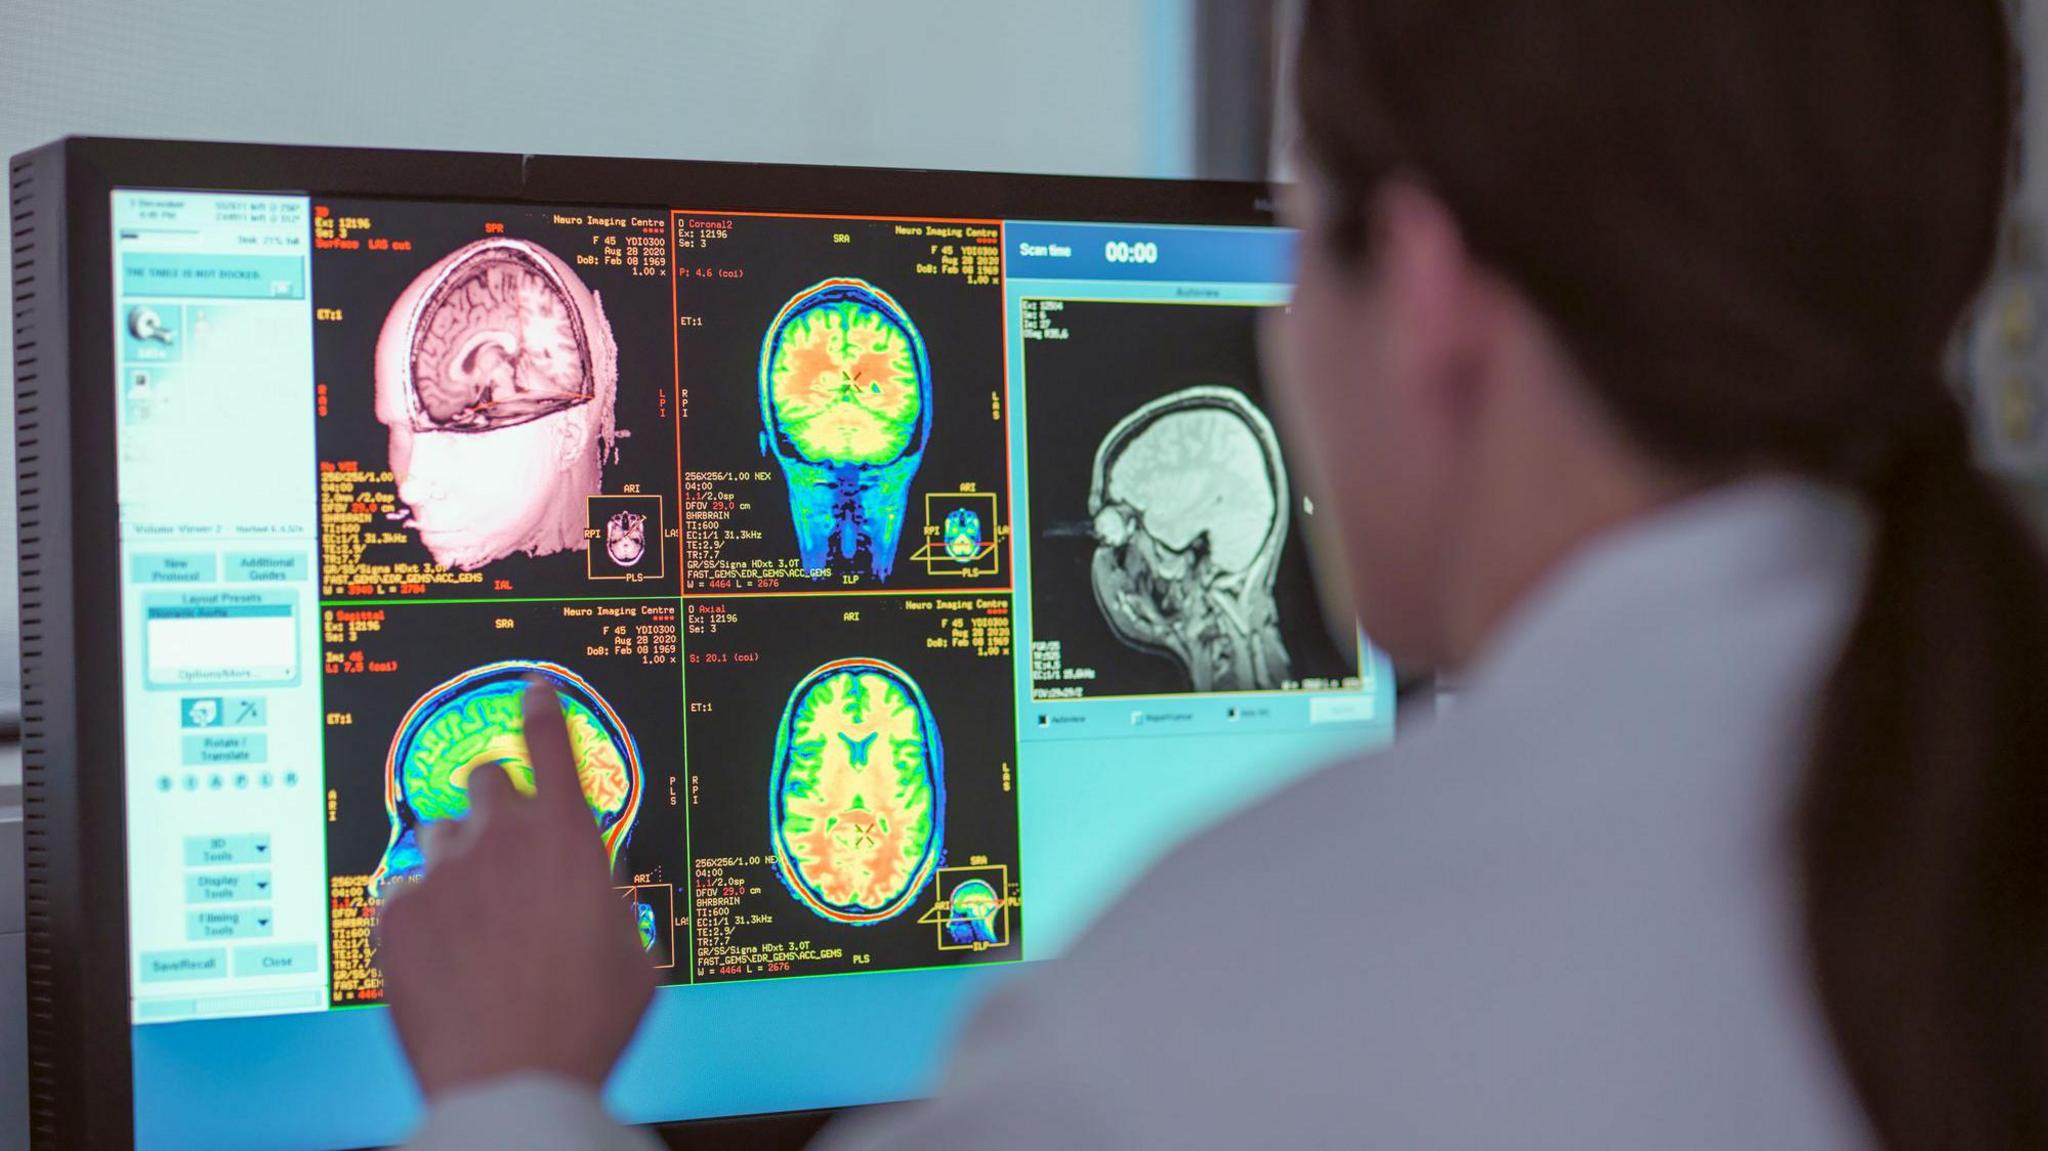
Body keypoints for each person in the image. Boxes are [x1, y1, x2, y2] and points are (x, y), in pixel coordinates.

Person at [379, 0, 2045, 1146]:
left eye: (1304, 233)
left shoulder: (1227, 1012)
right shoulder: (1961, 785)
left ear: (1435, 288)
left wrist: (513, 1084)